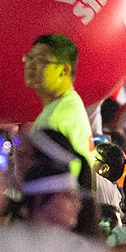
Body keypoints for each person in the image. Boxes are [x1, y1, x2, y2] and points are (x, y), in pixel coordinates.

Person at [23, 34, 93, 166]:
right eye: (29, 58)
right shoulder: (71, 103)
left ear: (64, 70)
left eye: (40, 60)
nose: (30, 65)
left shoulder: (52, 120)